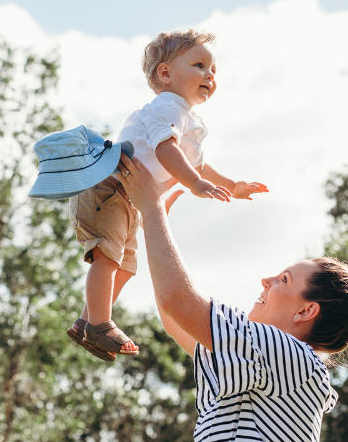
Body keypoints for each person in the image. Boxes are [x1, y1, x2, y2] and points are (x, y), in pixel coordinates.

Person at [114, 154, 348, 442]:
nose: (266, 280)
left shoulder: (290, 355)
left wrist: (152, 209)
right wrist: (154, 220)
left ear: (306, 311)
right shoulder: (273, 361)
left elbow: (177, 302)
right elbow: (174, 316)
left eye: (283, 279)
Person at [68, 29, 268, 361]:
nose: (210, 75)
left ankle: (87, 321)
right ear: (165, 73)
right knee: (108, 257)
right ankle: (101, 323)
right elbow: (166, 151)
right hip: (109, 187)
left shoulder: (189, 119)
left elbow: (199, 166)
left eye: (214, 70)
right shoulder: (167, 106)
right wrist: (193, 184)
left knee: (126, 266)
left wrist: (234, 186)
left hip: (129, 198)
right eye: (200, 65)